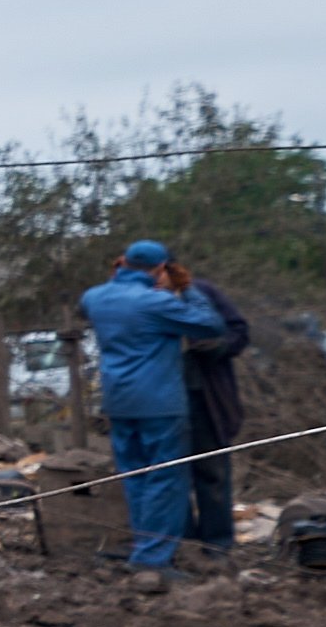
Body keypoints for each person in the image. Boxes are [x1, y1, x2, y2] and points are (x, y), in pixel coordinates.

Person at [76, 238, 226, 574]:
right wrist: (185, 287)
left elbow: (86, 306)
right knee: (165, 478)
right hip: (159, 402)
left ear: (122, 263)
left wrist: (119, 278)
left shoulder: (95, 297)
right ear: (161, 269)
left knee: (135, 476)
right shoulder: (156, 304)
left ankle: (143, 546)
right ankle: (152, 559)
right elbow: (211, 324)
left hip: (118, 400)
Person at [162, 254, 254, 556]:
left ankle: (217, 546)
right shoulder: (142, 302)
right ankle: (185, 545)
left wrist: (217, 347)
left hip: (205, 395)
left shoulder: (201, 293)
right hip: (162, 400)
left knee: (212, 471)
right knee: (172, 474)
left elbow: (239, 331)